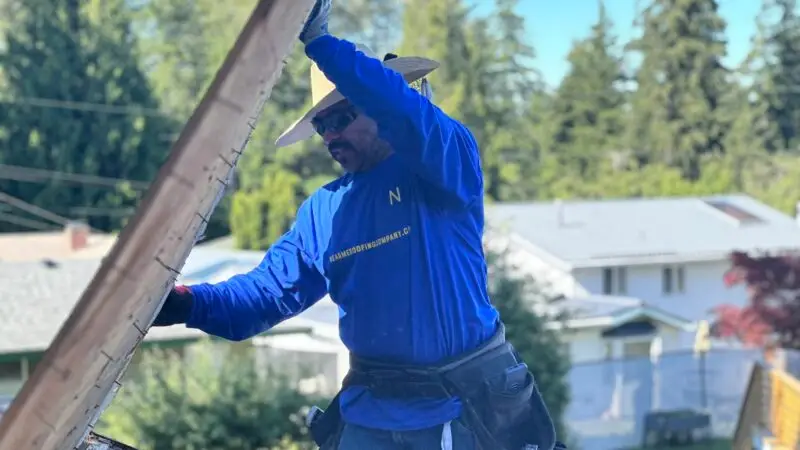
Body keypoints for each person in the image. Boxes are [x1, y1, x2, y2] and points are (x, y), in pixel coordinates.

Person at [152, 1, 562, 449]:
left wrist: (320, 44)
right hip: (368, 415)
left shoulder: (443, 167)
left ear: (377, 109)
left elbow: (404, 113)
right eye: (322, 125)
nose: (330, 136)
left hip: (460, 410)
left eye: (342, 118)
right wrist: (181, 305)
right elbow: (262, 296)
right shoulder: (322, 212)